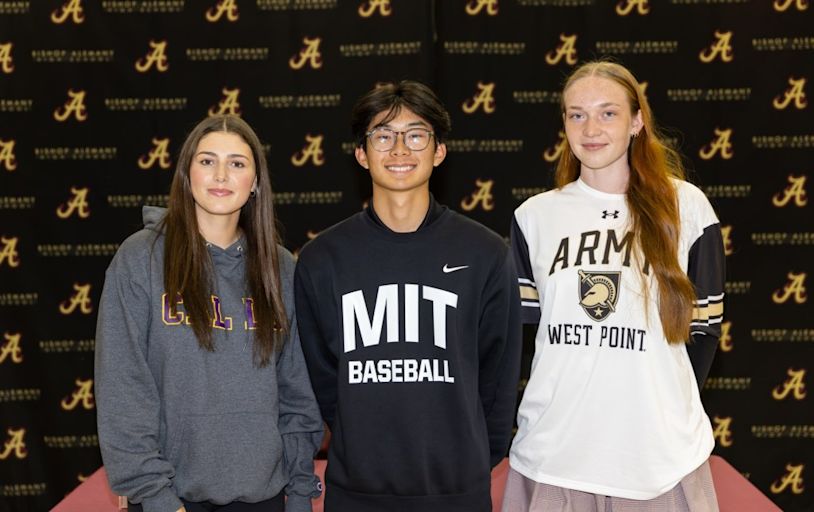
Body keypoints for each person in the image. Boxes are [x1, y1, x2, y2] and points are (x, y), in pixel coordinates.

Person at [503, 61, 725, 512]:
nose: (590, 128)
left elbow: (705, 333)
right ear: (563, 123)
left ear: (637, 121)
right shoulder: (535, 217)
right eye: (576, 114)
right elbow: (523, 340)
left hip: (659, 462)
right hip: (554, 457)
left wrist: (661, 402)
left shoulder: (687, 208)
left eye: (607, 113)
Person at [294, 80, 523, 512]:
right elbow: (321, 378)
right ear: (362, 154)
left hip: (456, 493)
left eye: (416, 135)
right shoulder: (323, 258)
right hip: (356, 492)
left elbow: (498, 374)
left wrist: (471, 462)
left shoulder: (485, 253)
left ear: (438, 151)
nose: (400, 149)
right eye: (383, 135)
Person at [95, 115, 324, 512]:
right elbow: (123, 386)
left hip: (265, 498)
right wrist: (154, 495)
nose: (221, 174)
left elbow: (298, 391)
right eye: (206, 161)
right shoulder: (141, 259)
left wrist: (301, 491)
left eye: (237, 163)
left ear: (254, 182)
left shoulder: (281, 268)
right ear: (187, 174)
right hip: (171, 499)